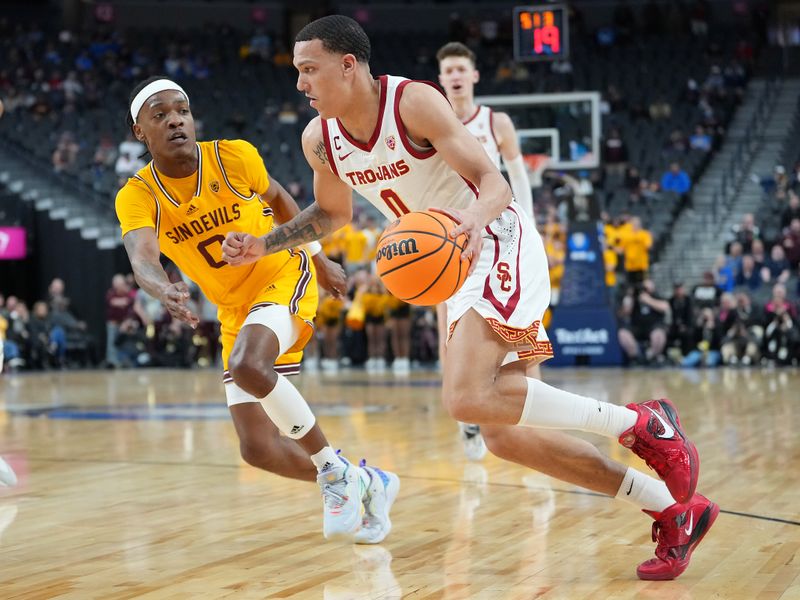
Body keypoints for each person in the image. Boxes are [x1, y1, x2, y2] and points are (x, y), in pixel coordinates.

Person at [221, 16, 717, 580]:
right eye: (297, 72)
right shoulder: (320, 140)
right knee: (504, 435)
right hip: (453, 266)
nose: (300, 83)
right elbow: (333, 214)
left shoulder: (414, 103)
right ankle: (672, 510)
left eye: (309, 69)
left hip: (495, 235)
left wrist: (473, 222)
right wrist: (262, 243)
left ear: (348, 65)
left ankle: (639, 423)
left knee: (464, 398)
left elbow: (495, 181)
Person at [114, 76, 399, 543]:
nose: (175, 120)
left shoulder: (234, 156)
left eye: (182, 110)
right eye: (160, 115)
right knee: (258, 449)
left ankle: (334, 474)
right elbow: (142, 257)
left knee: (249, 364)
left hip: (280, 273)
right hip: (234, 308)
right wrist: (162, 288)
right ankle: (367, 482)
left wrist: (321, 259)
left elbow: (284, 203)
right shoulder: (137, 195)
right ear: (139, 132)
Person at [437, 41, 540, 460]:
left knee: (515, 329)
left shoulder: (497, 122)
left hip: (500, 237)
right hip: (448, 239)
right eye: (449, 71)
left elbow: (517, 178)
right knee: (451, 329)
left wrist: (529, 227)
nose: (456, 76)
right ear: (441, 78)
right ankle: (468, 419)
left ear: (474, 75)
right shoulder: (433, 121)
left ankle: (522, 411)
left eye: (462, 68)